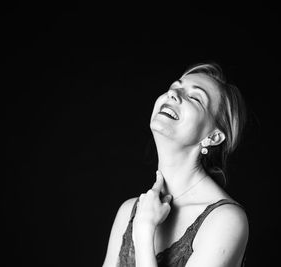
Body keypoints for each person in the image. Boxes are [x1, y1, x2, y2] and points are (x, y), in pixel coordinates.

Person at [102, 62, 249, 267]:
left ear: (214, 137)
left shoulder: (226, 220)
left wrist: (144, 232)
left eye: (195, 97)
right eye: (174, 88)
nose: (173, 95)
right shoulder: (129, 211)